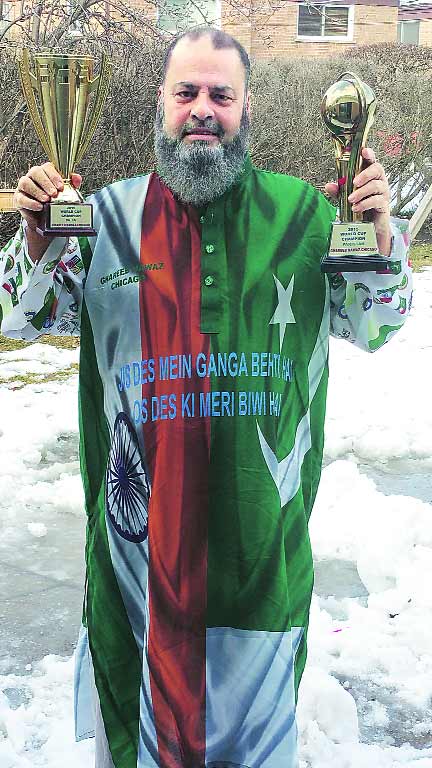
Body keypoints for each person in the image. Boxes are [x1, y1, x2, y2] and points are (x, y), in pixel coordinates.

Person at [0, 27, 412, 768]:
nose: (202, 109)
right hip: (138, 577)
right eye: (185, 91)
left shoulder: (305, 216)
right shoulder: (104, 219)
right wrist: (37, 241)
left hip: (263, 568)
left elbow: (377, 324)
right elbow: (21, 317)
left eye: (221, 94)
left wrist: (377, 236)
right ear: (161, 103)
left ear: (246, 109)